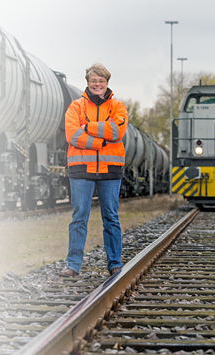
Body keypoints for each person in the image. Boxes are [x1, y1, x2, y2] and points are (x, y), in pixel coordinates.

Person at [60, 63, 128, 277]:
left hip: (110, 170)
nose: (97, 84)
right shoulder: (75, 107)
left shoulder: (118, 107)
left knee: (111, 217)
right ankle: (73, 265)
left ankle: (115, 263)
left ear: (107, 83)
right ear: (88, 83)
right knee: (79, 216)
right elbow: (72, 135)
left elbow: (117, 132)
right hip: (81, 169)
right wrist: (101, 141)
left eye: (101, 81)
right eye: (93, 81)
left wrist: (87, 127)